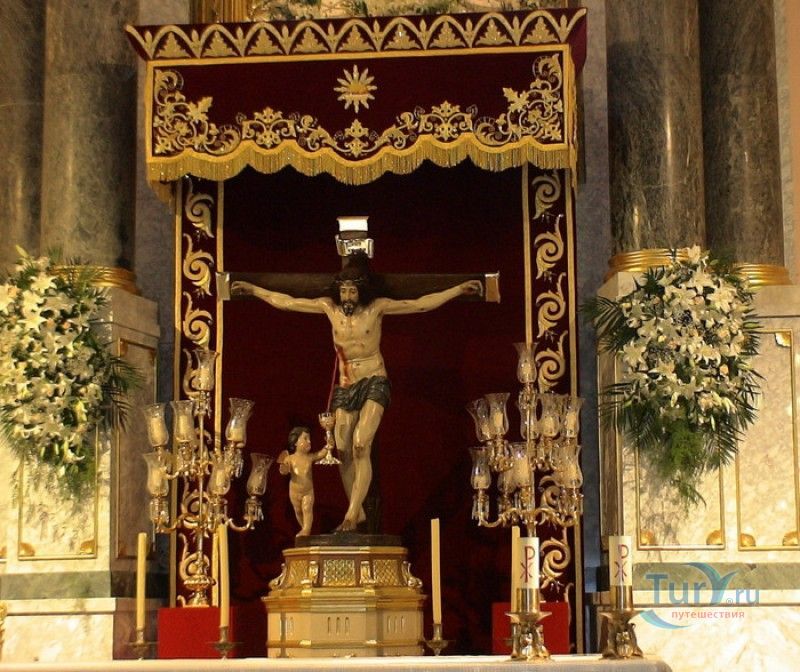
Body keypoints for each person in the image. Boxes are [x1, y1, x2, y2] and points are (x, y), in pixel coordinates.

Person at [233, 267, 483, 532]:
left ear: (361, 291)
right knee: (342, 449)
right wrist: (255, 290)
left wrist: (457, 290)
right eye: (343, 291)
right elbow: (288, 302)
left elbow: (418, 304)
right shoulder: (329, 308)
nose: (347, 296)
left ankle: (351, 514)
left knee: (361, 443)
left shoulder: (376, 309)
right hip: (346, 385)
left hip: (374, 380)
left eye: (352, 291)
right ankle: (359, 509)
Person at [278, 426, 327, 537]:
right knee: (299, 511)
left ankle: (306, 530)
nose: (309, 441)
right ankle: (304, 530)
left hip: (308, 491)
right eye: (305, 438)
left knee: (307, 508)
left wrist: (329, 445)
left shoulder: (310, 457)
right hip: (294, 493)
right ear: (295, 442)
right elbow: (283, 470)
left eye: (309, 439)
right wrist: (284, 469)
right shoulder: (290, 458)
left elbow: (321, 453)